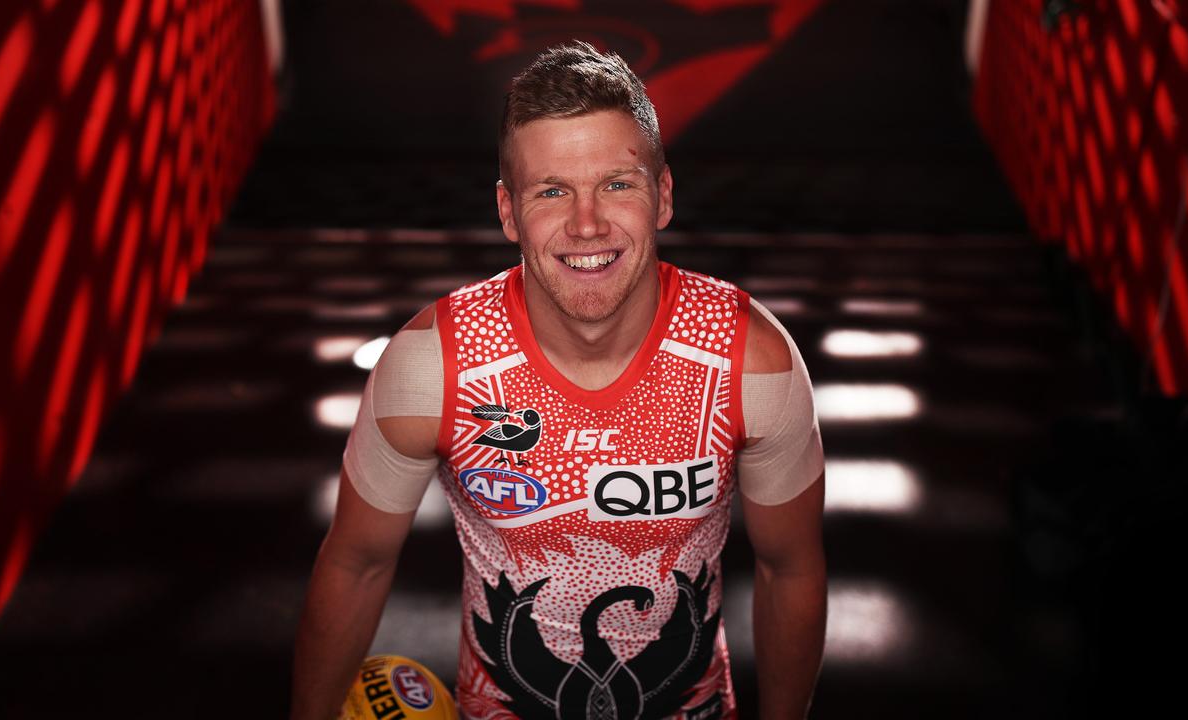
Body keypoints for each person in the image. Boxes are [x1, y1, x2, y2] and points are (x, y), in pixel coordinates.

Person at [290, 41, 826, 720]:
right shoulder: (435, 364)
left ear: (662, 195)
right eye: (552, 190)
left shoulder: (750, 360)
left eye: (617, 183)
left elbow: (791, 569)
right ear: (509, 211)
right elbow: (356, 564)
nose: (587, 224)